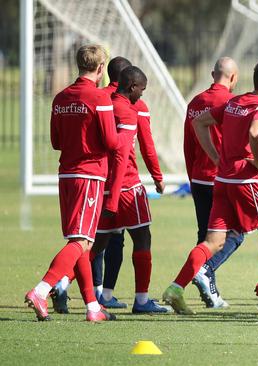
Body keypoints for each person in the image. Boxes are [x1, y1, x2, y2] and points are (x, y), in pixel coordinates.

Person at [161, 61, 258, 316]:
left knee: (213, 241)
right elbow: (255, 131)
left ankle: (176, 287)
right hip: (246, 181)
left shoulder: (234, 102)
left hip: (223, 180)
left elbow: (199, 124)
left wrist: (217, 158)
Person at [25, 44, 118, 322]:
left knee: (82, 243)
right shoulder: (99, 97)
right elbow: (112, 142)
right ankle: (41, 290)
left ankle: (92, 307)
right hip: (89, 174)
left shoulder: (61, 97)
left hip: (66, 174)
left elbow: (56, 142)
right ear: (101, 69)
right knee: (81, 241)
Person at [91, 66, 167, 314]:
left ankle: (57, 283)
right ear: (132, 86)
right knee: (143, 238)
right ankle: (142, 300)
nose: (142, 95)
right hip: (126, 187)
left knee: (96, 245)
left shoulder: (101, 104)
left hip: (102, 184)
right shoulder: (131, 111)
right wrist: (157, 176)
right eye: (141, 90)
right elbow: (135, 150)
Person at [183, 57, 245, 309]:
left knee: (205, 238)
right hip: (222, 178)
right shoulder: (231, 103)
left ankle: (210, 293)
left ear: (212, 74)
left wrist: (192, 176)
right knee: (237, 233)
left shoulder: (195, 102)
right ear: (233, 77)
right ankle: (206, 272)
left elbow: (188, 144)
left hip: (199, 177)